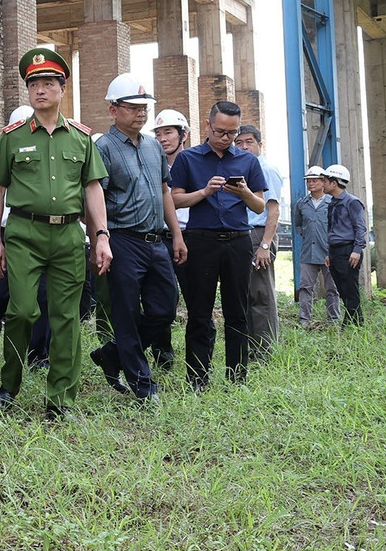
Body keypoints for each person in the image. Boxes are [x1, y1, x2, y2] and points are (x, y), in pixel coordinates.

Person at [0, 47, 111, 419]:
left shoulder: (82, 138)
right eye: (34, 84)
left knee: (66, 318)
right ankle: (10, 382)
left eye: (48, 83)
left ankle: (60, 399)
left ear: (61, 88)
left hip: (70, 236)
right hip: (24, 233)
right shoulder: (12, 137)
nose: (40, 90)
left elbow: (92, 189)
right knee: (22, 311)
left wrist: (101, 235)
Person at [88, 74, 186, 403]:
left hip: (156, 241)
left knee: (165, 308)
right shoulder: (103, 148)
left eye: (143, 108)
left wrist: (176, 235)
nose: (141, 114)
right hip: (123, 240)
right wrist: (100, 239)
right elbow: (95, 199)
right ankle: (143, 386)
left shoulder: (153, 147)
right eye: (133, 108)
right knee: (127, 313)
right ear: (114, 110)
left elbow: (164, 191)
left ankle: (112, 353)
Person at [168, 100, 266, 390]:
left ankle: (237, 377)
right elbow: (173, 200)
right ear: (208, 126)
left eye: (232, 133)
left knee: (237, 311)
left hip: (238, 241)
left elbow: (260, 206)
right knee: (200, 312)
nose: (227, 138)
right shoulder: (189, 159)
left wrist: (245, 191)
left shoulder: (248, 161)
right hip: (201, 241)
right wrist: (204, 191)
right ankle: (197, 379)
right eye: (221, 131)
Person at [0, 105, 51, 371]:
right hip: (6, 234)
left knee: (42, 297)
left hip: (40, 232)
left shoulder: (48, 157)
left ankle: (39, 354)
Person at [234, 125, 282, 360]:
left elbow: (273, 211)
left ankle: (265, 350)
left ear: (259, 144)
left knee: (261, 295)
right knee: (247, 294)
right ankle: (252, 347)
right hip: (243, 234)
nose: (243, 147)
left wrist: (265, 245)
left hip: (259, 235)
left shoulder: (266, 169)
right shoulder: (243, 169)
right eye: (239, 142)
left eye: (249, 142)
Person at [148, 108, 191, 370]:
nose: (163, 138)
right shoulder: (151, 163)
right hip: (158, 239)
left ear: (183, 135)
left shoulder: (195, 163)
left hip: (190, 237)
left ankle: (197, 356)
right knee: (161, 299)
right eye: (159, 133)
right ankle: (162, 354)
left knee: (196, 297)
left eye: (169, 132)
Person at [292, 165, 339, 325]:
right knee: (305, 287)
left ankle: (333, 320)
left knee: (332, 288)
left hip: (329, 252)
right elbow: (298, 225)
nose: (311, 183)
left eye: (315, 180)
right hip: (308, 252)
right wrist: (307, 235)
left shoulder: (332, 202)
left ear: (323, 181)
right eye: (308, 181)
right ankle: (304, 320)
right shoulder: (301, 204)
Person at [323, 164, 367, 327]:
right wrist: (329, 252)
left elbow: (360, 227)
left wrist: (356, 250)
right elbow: (332, 229)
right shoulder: (332, 203)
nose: (323, 184)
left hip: (348, 250)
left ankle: (354, 324)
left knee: (350, 289)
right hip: (335, 252)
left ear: (334, 183)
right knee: (342, 289)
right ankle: (352, 321)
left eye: (325, 180)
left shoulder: (353, 202)